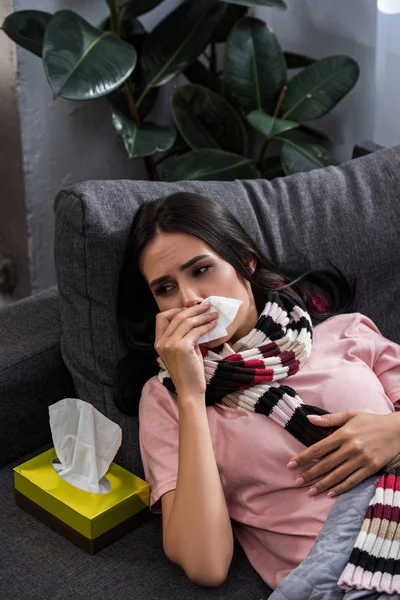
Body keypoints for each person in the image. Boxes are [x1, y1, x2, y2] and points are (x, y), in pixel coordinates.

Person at [113, 192, 400, 591]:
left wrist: (394, 433)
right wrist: (192, 394)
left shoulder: (345, 332)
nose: (189, 300)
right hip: (345, 578)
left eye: (200, 270)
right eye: (165, 289)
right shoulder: (166, 399)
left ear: (246, 262)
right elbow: (205, 564)